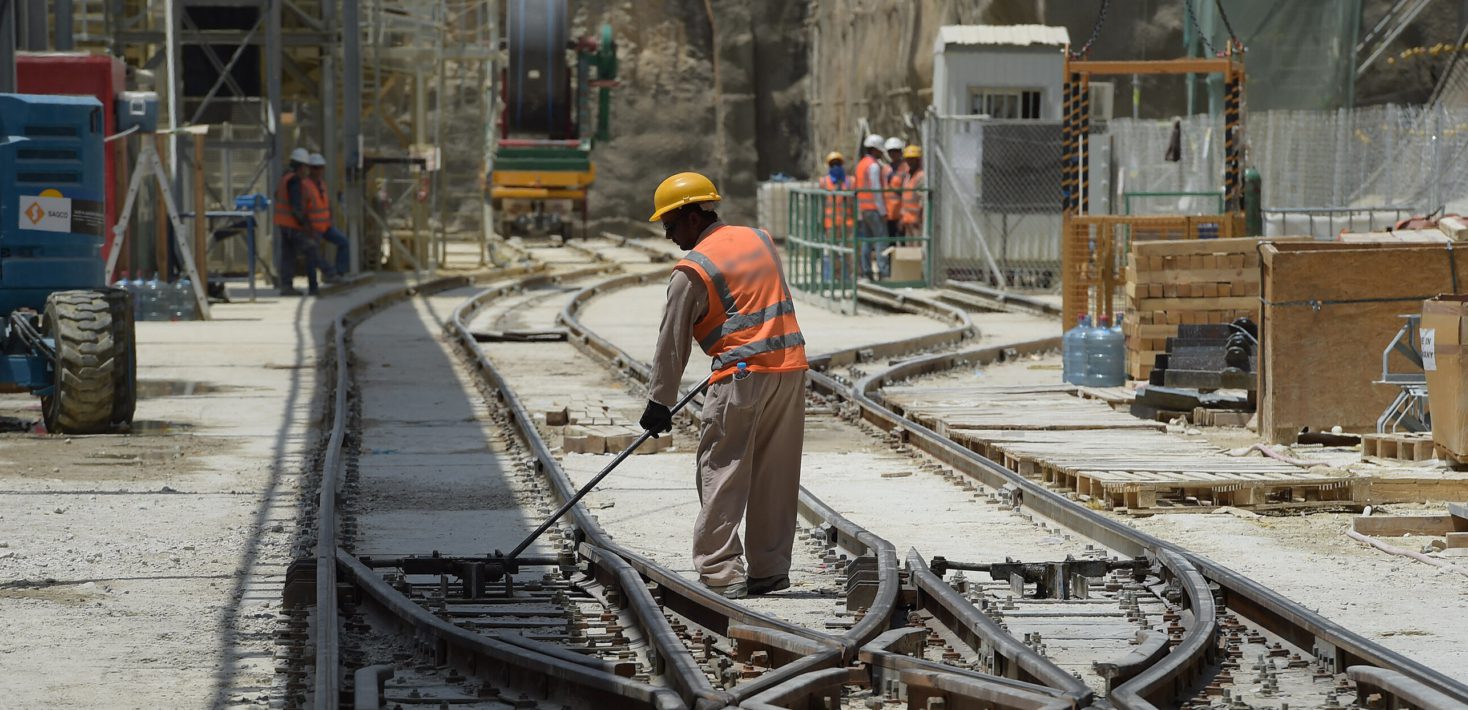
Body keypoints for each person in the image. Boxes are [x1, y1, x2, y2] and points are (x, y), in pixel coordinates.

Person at [639, 172, 808, 600]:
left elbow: (670, 340)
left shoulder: (692, 269)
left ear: (693, 216)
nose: (669, 234)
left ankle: (720, 571)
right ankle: (770, 569)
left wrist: (660, 401)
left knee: (722, 468)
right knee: (776, 473)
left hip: (741, 378)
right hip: (789, 368)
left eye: (671, 225)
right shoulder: (760, 239)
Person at [273, 147, 323, 296]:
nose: (307, 171)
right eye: (306, 167)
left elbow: (278, 196)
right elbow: (296, 207)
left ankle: (286, 286)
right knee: (311, 249)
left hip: (283, 224)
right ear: (301, 166)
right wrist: (304, 225)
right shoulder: (294, 181)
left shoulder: (285, 177)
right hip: (292, 225)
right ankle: (314, 286)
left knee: (288, 255)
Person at [307, 153, 351, 281]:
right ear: (310, 168)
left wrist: (330, 218)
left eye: (320, 167)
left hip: (325, 226)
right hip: (313, 227)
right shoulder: (306, 186)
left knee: (344, 242)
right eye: (315, 167)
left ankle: (339, 273)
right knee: (313, 253)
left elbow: (326, 204)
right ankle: (327, 275)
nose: (319, 171)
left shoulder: (322, 185)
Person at [854, 134, 890, 280]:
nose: (882, 153)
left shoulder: (861, 164)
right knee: (882, 239)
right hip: (874, 208)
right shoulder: (874, 166)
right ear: (875, 149)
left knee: (867, 241)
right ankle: (883, 272)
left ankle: (867, 272)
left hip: (863, 209)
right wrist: (883, 211)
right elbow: (876, 190)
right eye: (880, 150)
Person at [817, 151, 855, 282]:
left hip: (848, 223)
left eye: (837, 164)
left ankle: (850, 277)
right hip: (831, 223)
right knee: (833, 252)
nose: (836, 167)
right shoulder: (824, 182)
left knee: (849, 252)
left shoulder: (850, 181)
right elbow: (820, 204)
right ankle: (837, 276)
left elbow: (856, 202)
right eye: (833, 164)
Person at [883, 136, 908, 239]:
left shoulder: (905, 168)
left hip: (901, 210)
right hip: (888, 211)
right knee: (890, 239)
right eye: (891, 151)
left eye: (896, 151)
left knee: (902, 240)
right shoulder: (885, 168)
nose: (893, 154)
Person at [900, 145, 926, 237]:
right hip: (907, 219)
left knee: (917, 247)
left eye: (913, 159)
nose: (910, 162)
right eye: (908, 159)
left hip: (917, 220)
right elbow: (904, 197)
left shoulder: (921, 176)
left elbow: (923, 198)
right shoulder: (907, 175)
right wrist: (902, 217)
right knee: (909, 247)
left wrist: (919, 217)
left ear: (918, 160)